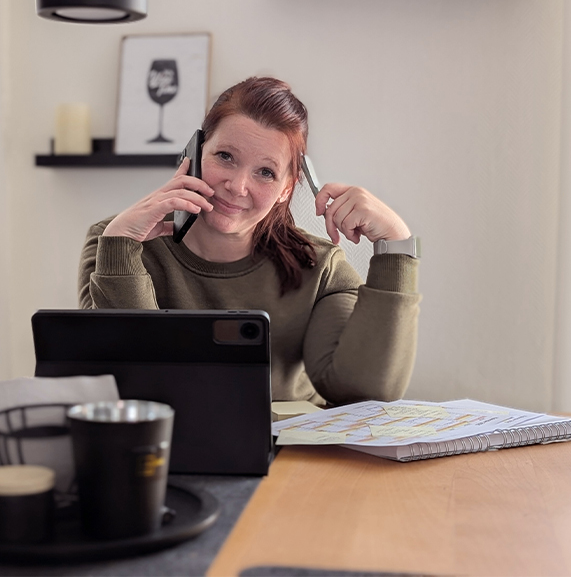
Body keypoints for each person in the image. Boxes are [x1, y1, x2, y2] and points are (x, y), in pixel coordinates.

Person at [78, 77, 420, 406]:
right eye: (225, 156)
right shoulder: (117, 241)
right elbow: (125, 385)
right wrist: (120, 247)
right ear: (194, 153)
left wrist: (397, 247)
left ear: (287, 189)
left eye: (266, 172)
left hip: (291, 459)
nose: (238, 186)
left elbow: (365, 394)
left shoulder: (318, 267)